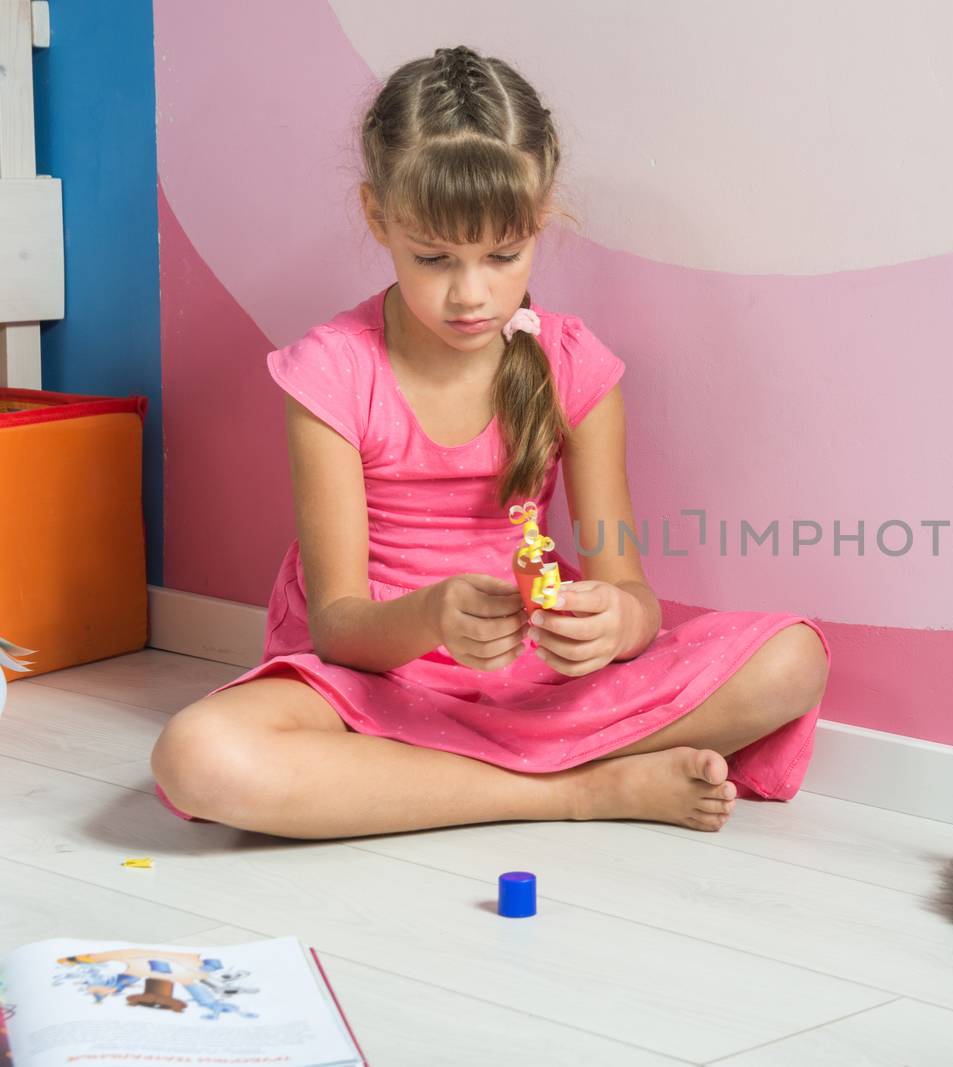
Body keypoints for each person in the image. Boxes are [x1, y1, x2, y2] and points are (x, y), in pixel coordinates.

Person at [150, 46, 831, 840]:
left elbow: (633, 595)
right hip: (373, 674)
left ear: (540, 221)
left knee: (794, 658)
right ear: (378, 219)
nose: (470, 293)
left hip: (526, 679)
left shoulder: (574, 368)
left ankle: (439, 781)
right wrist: (437, 616)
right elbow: (337, 625)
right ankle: (576, 790)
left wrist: (614, 620)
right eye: (433, 258)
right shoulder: (334, 372)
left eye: (503, 256)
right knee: (197, 755)